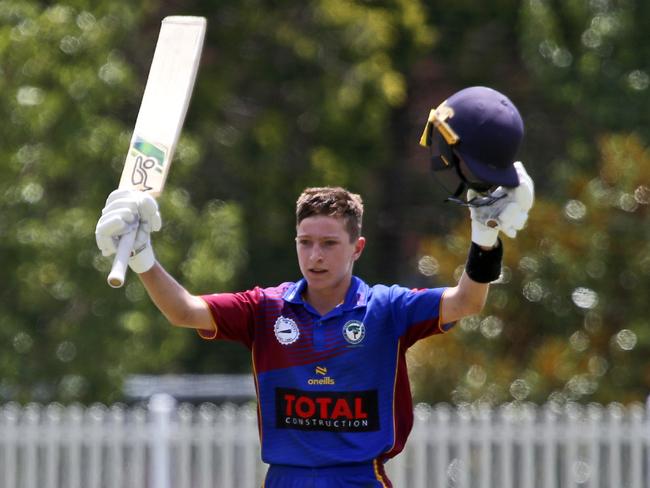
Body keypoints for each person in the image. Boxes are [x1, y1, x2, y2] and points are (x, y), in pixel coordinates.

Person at [95, 86, 534, 487]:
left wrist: (485, 237)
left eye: (328, 243)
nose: (315, 256)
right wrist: (142, 258)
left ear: (357, 247)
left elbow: (467, 302)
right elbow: (183, 311)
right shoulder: (265, 309)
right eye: (306, 243)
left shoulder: (386, 309)